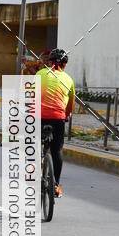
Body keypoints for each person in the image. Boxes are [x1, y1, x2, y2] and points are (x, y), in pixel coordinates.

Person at [38, 48, 75, 198]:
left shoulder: (39, 74)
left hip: (39, 117)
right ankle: (55, 185)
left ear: (49, 62)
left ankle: (31, 168)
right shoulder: (68, 79)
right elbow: (70, 105)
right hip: (58, 118)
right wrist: (66, 115)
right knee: (56, 151)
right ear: (65, 65)